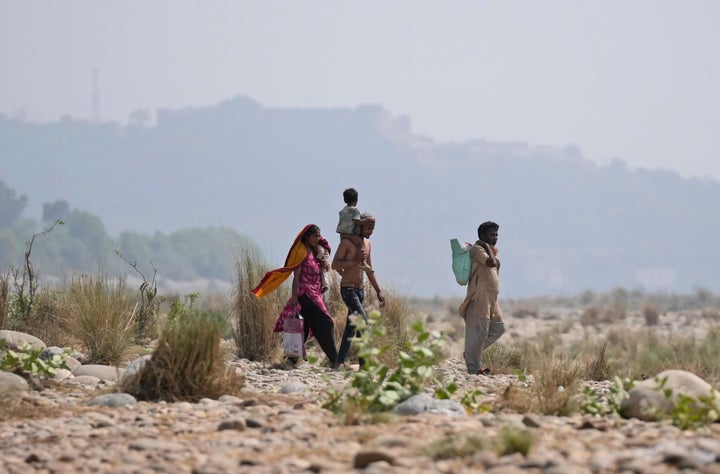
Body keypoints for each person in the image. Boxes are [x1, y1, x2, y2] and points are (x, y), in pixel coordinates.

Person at [252, 224, 339, 368]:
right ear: (307, 237)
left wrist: (323, 261)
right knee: (326, 322)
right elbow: (296, 276)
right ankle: (335, 360)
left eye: (319, 236)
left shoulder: (316, 251)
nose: (318, 239)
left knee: (303, 326)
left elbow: (325, 267)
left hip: (315, 293)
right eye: (315, 236)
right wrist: (294, 297)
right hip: (306, 294)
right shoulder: (300, 252)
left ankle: (291, 361)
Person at [331, 212, 385, 367]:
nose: (371, 231)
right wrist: (355, 261)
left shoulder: (367, 244)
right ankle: (364, 364)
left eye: (373, 228)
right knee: (363, 322)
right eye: (369, 227)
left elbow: (369, 269)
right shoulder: (346, 243)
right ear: (360, 226)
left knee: (351, 328)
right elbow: (335, 265)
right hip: (348, 289)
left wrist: (378, 291)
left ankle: (339, 362)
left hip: (360, 291)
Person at [459, 221, 505, 375]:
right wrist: (485, 246)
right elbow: (490, 262)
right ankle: (474, 368)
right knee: (480, 332)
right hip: (479, 297)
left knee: (498, 328)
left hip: (492, 299)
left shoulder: (491, 250)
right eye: (493, 234)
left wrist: (490, 249)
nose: (496, 237)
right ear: (484, 236)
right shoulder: (478, 249)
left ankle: (471, 353)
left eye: (497, 234)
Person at [336, 187, 373, 273]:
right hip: (349, 233)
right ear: (356, 200)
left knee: (344, 249)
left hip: (342, 233)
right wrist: (368, 220)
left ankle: (340, 266)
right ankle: (363, 262)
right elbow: (358, 221)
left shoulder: (343, 210)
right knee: (361, 244)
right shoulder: (355, 210)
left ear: (345, 200)